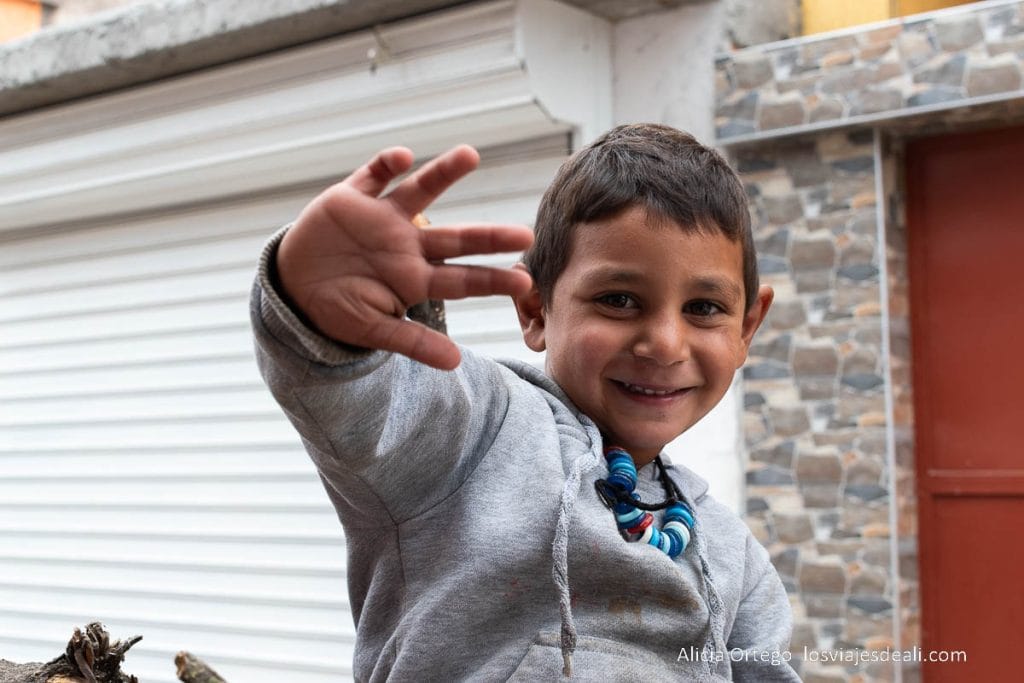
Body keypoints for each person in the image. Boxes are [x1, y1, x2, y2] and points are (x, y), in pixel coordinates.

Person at [251, 123, 800, 681]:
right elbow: (353, 393)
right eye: (618, 300)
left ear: (746, 328)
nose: (664, 342)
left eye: (704, 308)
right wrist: (314, 299)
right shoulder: (473, 433)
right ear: (535, 310)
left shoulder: (733, 557)